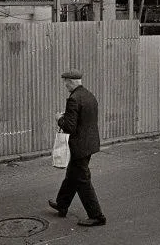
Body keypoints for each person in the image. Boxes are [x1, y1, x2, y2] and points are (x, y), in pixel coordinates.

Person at [48, 70, 106, 226]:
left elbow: (70, 127)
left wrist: (59, 119)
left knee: (82, 179)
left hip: (79, 146)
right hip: (89, 143)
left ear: (71, 81)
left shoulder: (74, 99)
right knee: (72, 175)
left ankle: (97, 216)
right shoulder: (89, 95)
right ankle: (62, 204)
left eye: (66, 82)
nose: (65, 85)